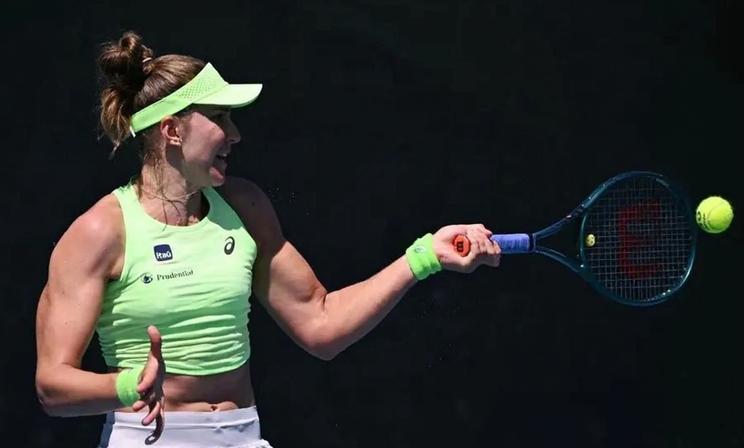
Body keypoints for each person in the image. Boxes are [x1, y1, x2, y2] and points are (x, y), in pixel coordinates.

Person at [34, 31, 501, 448]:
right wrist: (127, 385)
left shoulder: (245, 206)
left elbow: (320, 324)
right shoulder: (100, 231)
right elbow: (52, 387)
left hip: (243, 435)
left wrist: (424, 256)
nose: (235, 134)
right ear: (172, 130)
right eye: (220, 118)